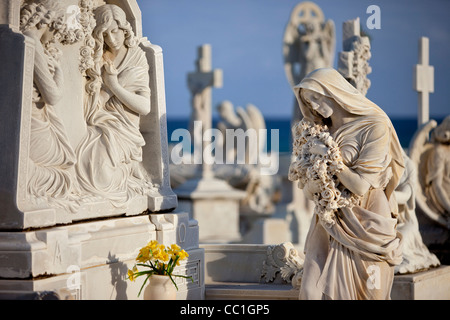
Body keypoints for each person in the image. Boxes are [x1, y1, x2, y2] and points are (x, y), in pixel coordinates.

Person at [293, 68, 405, 300]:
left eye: (315, 96)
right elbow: (307, 188)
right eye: (307, 101)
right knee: (310, 292)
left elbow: (361, 186)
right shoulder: (318, 130)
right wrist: (311, 182)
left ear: (332, 91)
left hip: (367, 220)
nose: (312, 106)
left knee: (367, 294)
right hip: (329, 219)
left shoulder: (375, 126)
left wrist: (332, 160)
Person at [76, 4, 154, 207]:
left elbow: (145, 107)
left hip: (125, 131)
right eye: (106, 34)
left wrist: (114, 85)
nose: (112, 39)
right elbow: (95, 105)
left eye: (115, 31)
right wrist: (107, 88)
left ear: (124, 28)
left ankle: (126, 176)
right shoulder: (100, 59)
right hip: (101, 123)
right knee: (82, 158)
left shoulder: (137, 57)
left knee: (101, 172)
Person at [20, 0, 80, 211]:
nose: (55, 37)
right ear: (49, 20)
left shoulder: (27, 41)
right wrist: (59, 73)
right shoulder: (31, 42)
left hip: (37, 120)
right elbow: (52, 96)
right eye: (57, 29)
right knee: (65, 174)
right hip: (34, 123)